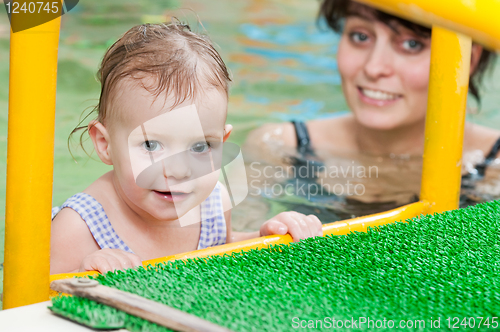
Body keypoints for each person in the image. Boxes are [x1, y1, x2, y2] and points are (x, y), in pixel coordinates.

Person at [50, 23, 322, 275]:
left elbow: (219, 252)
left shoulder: (213, 203)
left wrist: (267, 237)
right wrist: (81, 274)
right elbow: (29, 306)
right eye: (151, 145)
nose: (179, 170)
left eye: (200, 146)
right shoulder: (76, 228)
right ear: (105, 144)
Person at [244, 0, 500, 218]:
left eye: (412, 44)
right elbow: (223, 248)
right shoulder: (279, 148)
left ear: (467, 58)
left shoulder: (494, 166)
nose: (373, 68)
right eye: (360, 37)